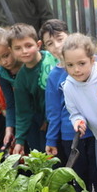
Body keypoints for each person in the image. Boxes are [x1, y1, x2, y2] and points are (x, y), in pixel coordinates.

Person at [61, 33, 97, 192]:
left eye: (81, 63)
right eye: (70, 65)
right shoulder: (69, 86)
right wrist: (78, 122)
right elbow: (74, 112)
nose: (76, 70)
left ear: (93, 60)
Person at [7, 23, 57, 155]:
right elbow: (22, 112)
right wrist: (19, 140)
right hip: (42, 125)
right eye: (18, 48)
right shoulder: (21, 79)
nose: (24, 51)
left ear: (38, 45)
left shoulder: (53, 59)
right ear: (11, 50)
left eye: (28, 46)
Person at [40, 19, 75, 168]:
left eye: (60, 39)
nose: (57, 46)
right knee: (78, 178)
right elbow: (53, 112)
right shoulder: (54, 76)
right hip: (70, 133)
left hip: (96, 131)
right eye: (50, 43)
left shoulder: (92, 62)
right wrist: (51, 140)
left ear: (69, 35)